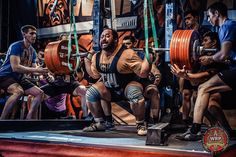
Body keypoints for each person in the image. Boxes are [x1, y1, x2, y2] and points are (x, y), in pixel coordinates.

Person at [175, 2, 236, 141]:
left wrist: (210, 59)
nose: (208, 19)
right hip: (233, 69)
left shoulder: (227, 25)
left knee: (203, 88)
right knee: (211, 100)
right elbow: (226, 56)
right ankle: (228, 132)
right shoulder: (223, 28)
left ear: (216, 14)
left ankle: (194, 130)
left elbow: (224, 54)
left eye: (209, 16)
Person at [83, 28, 152, 135]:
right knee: (90, 93)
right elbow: (94, 75)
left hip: (128, 87)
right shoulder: (97, 57)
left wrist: (149, 56)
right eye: (102, 37)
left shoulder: (127, 54)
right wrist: (87, 60)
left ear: (115, 40)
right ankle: (100, 123)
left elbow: (143, 73)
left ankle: (140, 124)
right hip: (110, 91)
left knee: (134, 93)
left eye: (107, 36)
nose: (103, 39)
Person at [0, 25, 48, 119]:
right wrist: (36, 70)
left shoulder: (33, 51)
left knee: (40, 93)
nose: (34, 36)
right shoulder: (16, 46)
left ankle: (28, 120)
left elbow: (35, 71)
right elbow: (15, 67)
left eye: (35, 34)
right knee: (18, 92)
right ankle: (2, 120)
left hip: (19, 78)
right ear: (24, 34)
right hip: (5, 76)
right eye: (31, 33)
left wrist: (44, 72)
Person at [179, 10, 211, 125]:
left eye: (189, 18)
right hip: (189, 65)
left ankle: (197, 122)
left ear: (196, 17)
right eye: (185, 19)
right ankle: (184, 121)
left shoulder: (205, 32)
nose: (187, 21)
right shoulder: (185, 34)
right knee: (186, 94)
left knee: (197, 96)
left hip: (201, 66)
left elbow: (208, 48)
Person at [122, 35, 161, 125]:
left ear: (134, 44)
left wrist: (157, 75)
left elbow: (152, 66)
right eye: (124, 44)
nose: (126, 46)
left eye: (128, 44)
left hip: (143, 83)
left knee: (154, 91)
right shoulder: (121, 57)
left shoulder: (141, 54)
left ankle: (155, 122)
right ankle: (140, 123)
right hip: (128, 84)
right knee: (135, 93)